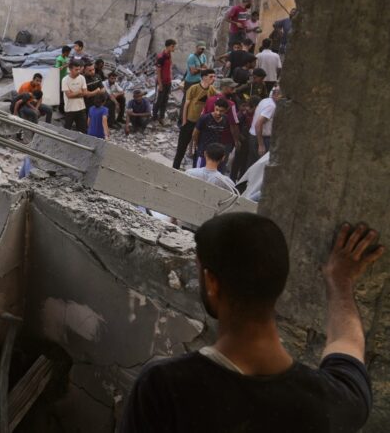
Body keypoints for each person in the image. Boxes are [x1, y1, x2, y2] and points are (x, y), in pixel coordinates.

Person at [119, 215, 383, 433]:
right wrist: (339, 280)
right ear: (279, 283)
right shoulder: (336, 402)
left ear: (211, 283)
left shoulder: (165, 387)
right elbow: (347, 343)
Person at [173, 69, 217, 169]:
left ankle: (194, 170)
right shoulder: (194, 88)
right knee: (181, 147)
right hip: (190, 122)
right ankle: (175, 167)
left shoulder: (212, 90)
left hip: (202, 124)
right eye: (211, 77)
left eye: (214, 77)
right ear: (204, 77)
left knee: (199, 149)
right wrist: (184, 121)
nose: (213, 79)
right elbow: (186, 105)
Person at [200, 80, 242, 173]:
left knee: (205, 163)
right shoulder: (230, 104)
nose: (234, 90)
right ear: (225, 87)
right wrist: (236, 140)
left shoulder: (210, 100)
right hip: (224, 140)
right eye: (232, 88)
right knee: (220, 166)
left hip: (208, 138)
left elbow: (202, 117)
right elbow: (233, 124)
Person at [192, 98, 238, 169]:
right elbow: (195, 133)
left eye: (221, 111)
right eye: (217, 109)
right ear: (214, 107)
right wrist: (196, 144)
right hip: (203, 152)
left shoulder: (225, 119)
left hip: (214, 154)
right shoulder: (205, 118)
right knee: (199, 171)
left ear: (226, 110)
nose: (218, 113)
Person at [62, 59, 97, 134]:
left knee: (83, 130)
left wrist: (73, 93)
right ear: (70, 69)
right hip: (69, 109)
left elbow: (85, 93)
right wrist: (79, 92)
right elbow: (68, 95)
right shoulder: (65, 80)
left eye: (79, 69)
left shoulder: (82, 78)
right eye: (76, 70)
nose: (78, 71)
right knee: (66, 130)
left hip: (81, 108)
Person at [250, 86, 281, 160]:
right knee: (261, 163)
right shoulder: (271, 106)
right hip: (261, 138)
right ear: (275, 95)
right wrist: (261, 145)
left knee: (252, 162)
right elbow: (258, 124)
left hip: (254, 136)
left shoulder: (265, 100)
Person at [154, 39, 176, 123]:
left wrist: (170, 78)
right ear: (168, 46)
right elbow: (158, 72)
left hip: (168, 82)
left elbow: (169, 67)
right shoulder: (161, 57)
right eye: (172, 46)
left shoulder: (169, 55)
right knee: (158, 101)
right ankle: (154, 117)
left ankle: (161, 117)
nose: (174, 48)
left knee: (165, 100)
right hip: (162, 82)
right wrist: (160, 84)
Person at [55, 45, 72, 114]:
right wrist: (65, 65)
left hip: (64, 78)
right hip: (60, 79)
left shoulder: (65, 58)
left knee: (63, 93)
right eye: (68, 53)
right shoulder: (59, 59)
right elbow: (57, 69)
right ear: (65, 52)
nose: (69, 54)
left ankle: (62, 107)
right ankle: (60, 108)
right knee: (61, 93)